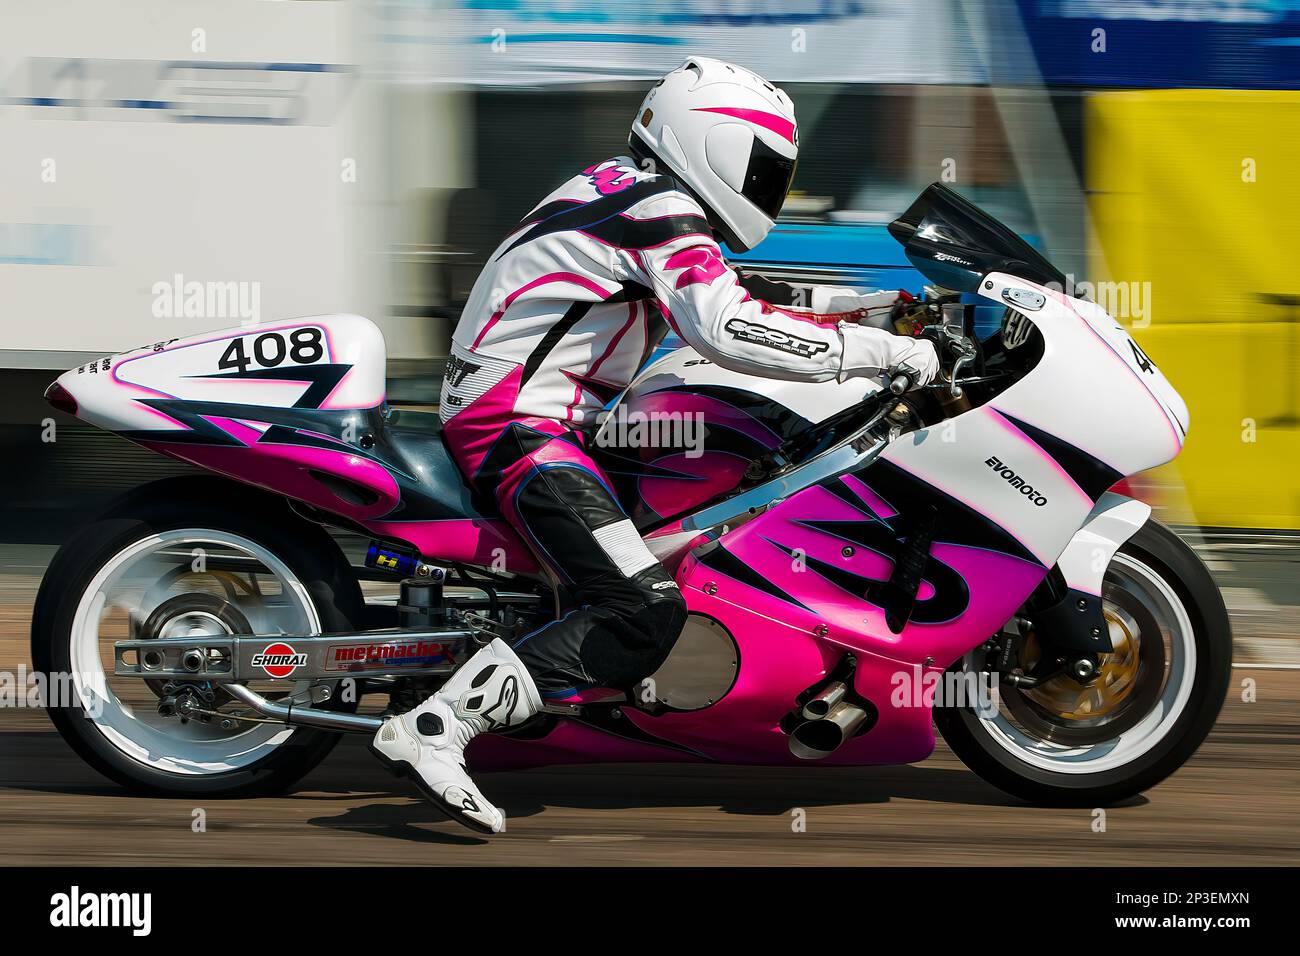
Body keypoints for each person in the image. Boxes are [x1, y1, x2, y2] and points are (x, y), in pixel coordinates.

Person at [370, 56, 940, 833]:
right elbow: (725, 326)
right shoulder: (659, 209)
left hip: (540, 419)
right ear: (713, 142)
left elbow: (741, 300)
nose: (770, 185)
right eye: (763, 166)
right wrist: (883, 354)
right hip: (518, 428)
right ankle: (439, 727)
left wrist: (875, 308)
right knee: (642, 608)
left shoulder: (638, 193)